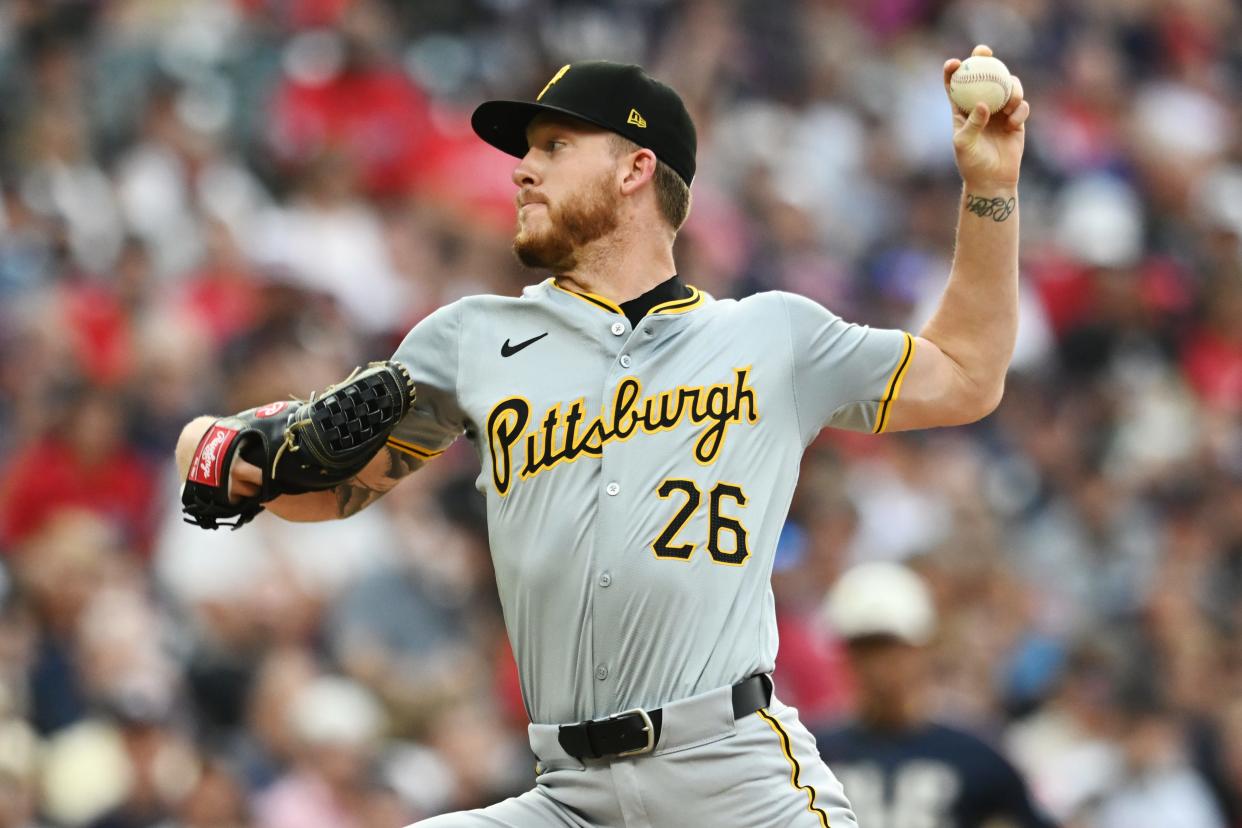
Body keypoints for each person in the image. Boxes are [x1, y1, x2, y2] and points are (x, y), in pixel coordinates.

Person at [175, 47, 1029, 827]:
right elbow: (322, 489)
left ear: (635, 166)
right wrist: (221, 450)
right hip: (568, 795)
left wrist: (989, 188)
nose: (521, 172)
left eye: (552, 147)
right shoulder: (469, 340)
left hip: (731, 778)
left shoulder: (773, 337)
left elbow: (965, 372)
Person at [815, 561, 1057, 828]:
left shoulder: (973, 755)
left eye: (890, 649)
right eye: (865, 650)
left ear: (922, 649)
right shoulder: (814, 753)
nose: (878, 666)